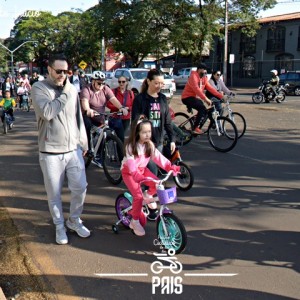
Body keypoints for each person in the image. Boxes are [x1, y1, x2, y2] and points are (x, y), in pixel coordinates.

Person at [31, 53, 90, 245]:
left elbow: (77, 116)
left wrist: (83, 140)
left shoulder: (71, 89)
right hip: (50, 152)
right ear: (49, 70)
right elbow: (47, 112)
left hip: (73, 149)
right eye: (58, 71)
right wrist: (66, 93)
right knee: (54, 194)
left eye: (66, 71)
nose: (62, 75)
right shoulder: (39, 88)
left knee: (80, 187)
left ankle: (74, 220)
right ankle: (59, 226)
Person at [121, 116, 180, 236]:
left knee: (157, 183)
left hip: (142, 170)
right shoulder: (130, 147)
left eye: (149, 132)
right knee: (137, 197)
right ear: (137, 133)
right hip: (129, 173)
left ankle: (147, 196)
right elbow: (131, 165)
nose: (147, 135)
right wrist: (136, 175)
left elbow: (159, 158)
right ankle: (135, 221)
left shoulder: (149, 145)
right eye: (144, 132)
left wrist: (170, 167)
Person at [80, 70, 129, 168]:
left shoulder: (105, 89)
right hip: (89, 115)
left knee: (103, 132)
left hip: (100, 116)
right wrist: (88, 110)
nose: (101, 85)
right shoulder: (87, 89)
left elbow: (113, 99)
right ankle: (88, 149)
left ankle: (98, 156)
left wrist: (121, 108)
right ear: (93, 81)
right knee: (87, 126)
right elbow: (85, 101)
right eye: (99, 83)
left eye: (103, 83)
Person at [181, 63, 223, 134]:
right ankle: (194, 128)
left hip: (194, 98)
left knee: (204, 110)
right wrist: (206, 99)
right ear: (199, 69)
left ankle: (196, 121)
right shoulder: (193, 76)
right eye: (204, 70)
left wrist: (221, 96)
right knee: (202, 108)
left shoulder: (204, 78)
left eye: (206, 70)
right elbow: (197, 90)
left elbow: (210, 88)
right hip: (186, 97)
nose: (205, 72)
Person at [106, 76, 134, 142]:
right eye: (119, 82)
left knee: (122, 135)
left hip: (126, 118)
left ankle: (118, 149)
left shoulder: (130, 93)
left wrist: (128, 108)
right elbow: (108, 104)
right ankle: (119, 151)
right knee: (120, 137)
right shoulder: (113, 91)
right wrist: (118, 108)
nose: (121, 83)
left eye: (123, 82)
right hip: (115, 117)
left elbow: (133, 105)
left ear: (126, 82)